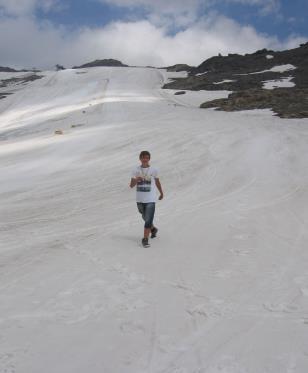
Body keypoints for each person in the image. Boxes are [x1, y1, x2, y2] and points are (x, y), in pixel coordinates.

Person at [130, 150, 164, 247]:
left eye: (147, 157)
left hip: (151, 199)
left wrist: (161, 193)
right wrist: (136, 179)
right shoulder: (135, 170)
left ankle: (145, 239)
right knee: (144, 216)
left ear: (149, 159)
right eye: (143, 157)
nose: (145, 159)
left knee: (148, 218)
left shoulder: (154, 170)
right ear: (140, 158)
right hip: (140, 199)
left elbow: (157, 182)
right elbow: (131, 185)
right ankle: (153, 229)